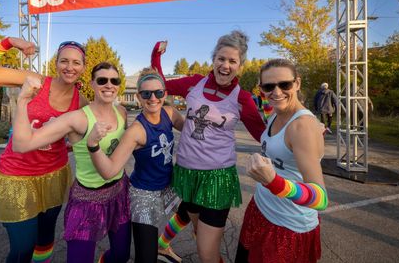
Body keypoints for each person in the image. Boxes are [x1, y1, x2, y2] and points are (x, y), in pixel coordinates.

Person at [0, 37, 87, 263]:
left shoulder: (81, 100)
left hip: (54, 175)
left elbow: (86, 131)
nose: (70, 67)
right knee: (23, 248)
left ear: (83, 67)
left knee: (45, 240)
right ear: (56, 63)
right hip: (17, 177)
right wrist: (8, 43)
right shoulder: (35, 81)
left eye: (76, 63)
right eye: (64, 61)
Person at [151, 31, 267, 263]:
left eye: (232, 61)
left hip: (217, 178)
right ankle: (163, 246)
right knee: (200, 236)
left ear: (240, 66)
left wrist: (296, 128)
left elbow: (263, 135)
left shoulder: (241, 98)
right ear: (213, 60)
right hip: (186, 174)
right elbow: (159, 86)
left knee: (206, 253)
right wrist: (156, 55)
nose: (225, 65)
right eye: (221, 59)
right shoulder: (195, 82)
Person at [12, 62, 130, 263]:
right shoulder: (77, 119)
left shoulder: (122, 113)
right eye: (102, 80)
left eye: (114, 80)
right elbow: (22, 144)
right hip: (87, 201)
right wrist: (22, 101)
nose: (109, 85)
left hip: (119, 193)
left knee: (121, 256)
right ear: (92, 84)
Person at [86, 67, 186, 262]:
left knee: (195, 206)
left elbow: (194, 135)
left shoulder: (170, 113)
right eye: (146, 94)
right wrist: (93, 145)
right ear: (139, 97)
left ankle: (163, 245)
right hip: (144, 196)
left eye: (158, 93)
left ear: (165, 94)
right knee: (146, 258)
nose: (153, 98)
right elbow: (109, 170)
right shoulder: (136, 131)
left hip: (167, 187)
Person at [235, 58, 328, 263]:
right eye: (269, 86)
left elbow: (321, 199)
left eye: (284, 84)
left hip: (287, 226)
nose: (276, 92)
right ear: (261, 90)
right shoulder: (275, 114)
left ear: (297, 83)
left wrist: (274, 182)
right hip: (260, 209)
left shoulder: (302, 126)